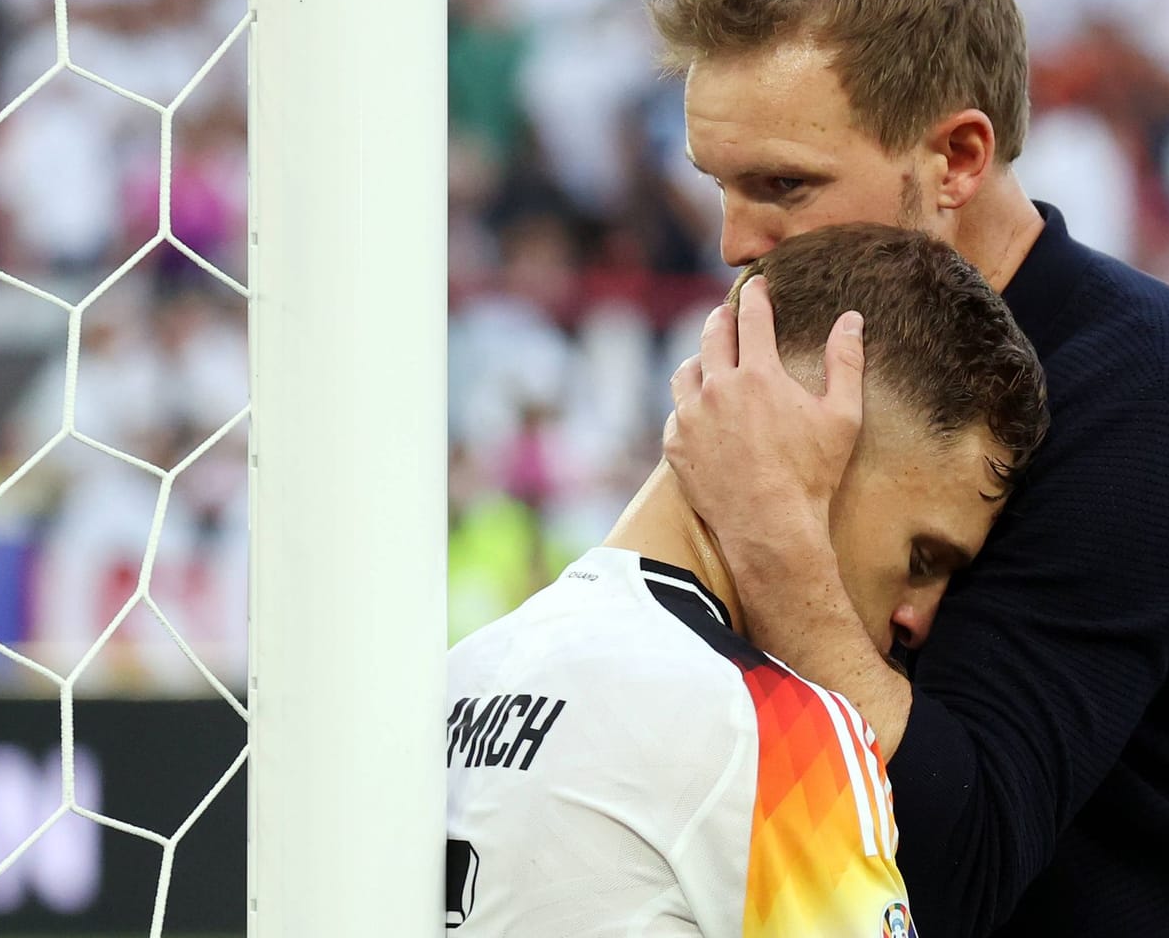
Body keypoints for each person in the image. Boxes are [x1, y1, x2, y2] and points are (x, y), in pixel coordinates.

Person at [653, 0, 1169, 937]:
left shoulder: (1151, 404)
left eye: (785, 184)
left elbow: (956, 861)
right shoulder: (819, 373)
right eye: (718, 184)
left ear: (956, 158)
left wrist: (775, 544)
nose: (735, 241)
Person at [444, 223, 1049, 936]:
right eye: (923, 558)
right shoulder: (775, 732)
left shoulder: (458, 678)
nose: (918, 615)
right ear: (812, 439)